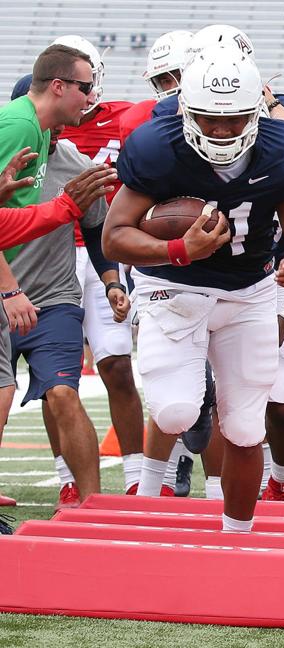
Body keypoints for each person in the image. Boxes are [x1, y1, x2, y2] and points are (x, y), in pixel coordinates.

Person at [105, 45, 284, 532]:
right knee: (175, 410)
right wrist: (180, 250)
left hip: (250, 289)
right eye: (209, 119)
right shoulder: (157, 147)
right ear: (186, 109)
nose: (223, 130)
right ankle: (199, 398)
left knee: (247, 429)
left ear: (257, 110)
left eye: (235, 119)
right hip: (173, 286)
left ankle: (237, 541)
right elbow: (114, 236)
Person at [1, 43, 108, 502]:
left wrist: (111, 279)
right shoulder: (22, 124)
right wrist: (9, 292)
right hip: (11, 296)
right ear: (57, 88)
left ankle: (91, 502)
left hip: (52, 297)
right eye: (85, 88)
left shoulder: (49, 139)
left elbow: (14, 221)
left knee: (57, 393)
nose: (91, 97)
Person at [52, 34, 147, 500]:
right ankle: (68, 478)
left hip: (103, 252)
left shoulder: (125, 119)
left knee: (116, 365)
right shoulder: (38, 123)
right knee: (59, 376)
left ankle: (137, 477)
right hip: (48, 253)